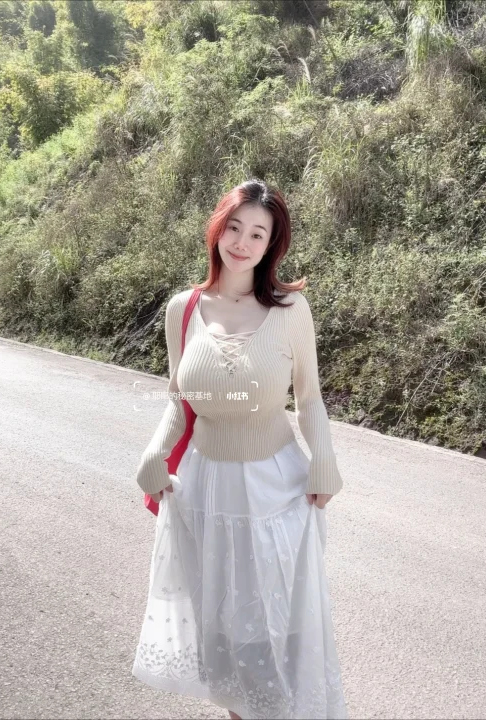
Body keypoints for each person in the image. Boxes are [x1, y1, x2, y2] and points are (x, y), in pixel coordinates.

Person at [131, 178, 348, 719]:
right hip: (205, 491)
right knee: (223, 638)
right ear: (217, 229)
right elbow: (179, 399)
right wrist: (154, 453)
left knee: (275, 633)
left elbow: (310, 399)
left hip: (275, 490)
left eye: (257, 233)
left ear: (272, 244)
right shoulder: (183, 309)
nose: (242, 242)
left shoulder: (290, 309)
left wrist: (325, 461)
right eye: (234, 227)